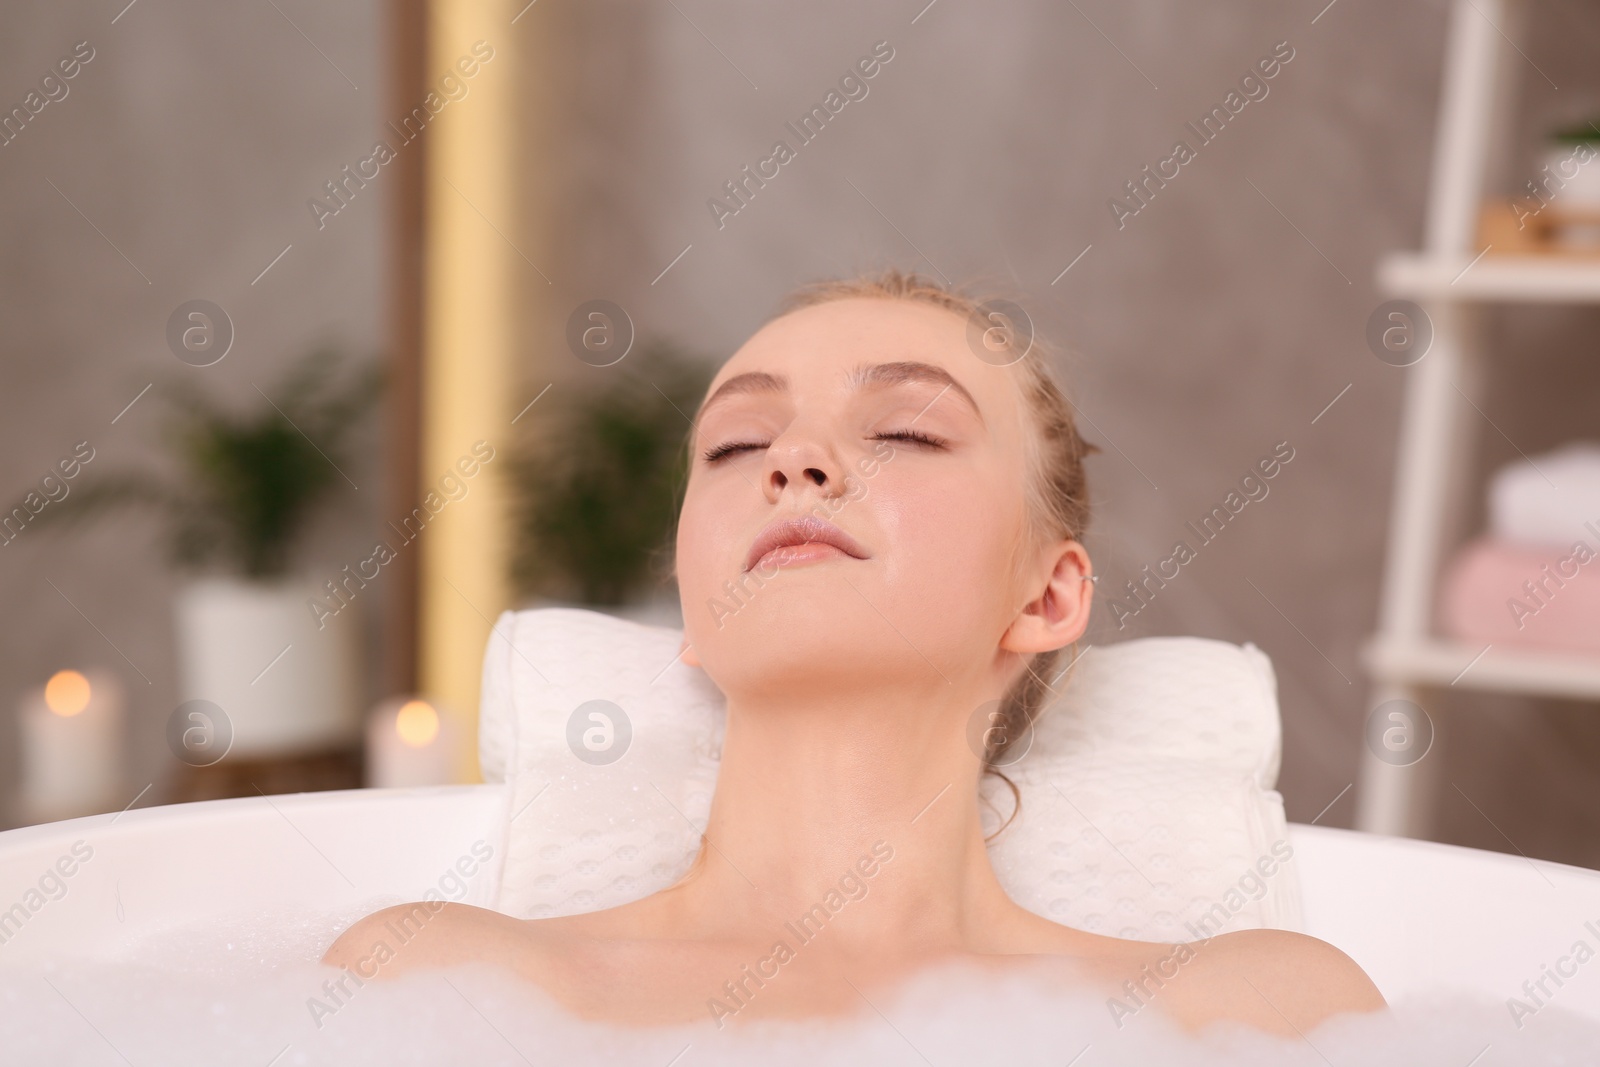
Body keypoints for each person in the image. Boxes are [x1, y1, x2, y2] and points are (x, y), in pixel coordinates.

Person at [324, 269, 1387, 1037]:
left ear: (1049, 592)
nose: (793, 459)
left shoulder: (1257, 1010)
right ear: (693, 602)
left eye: (908, 431)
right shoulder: (433, 982)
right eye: (737, 445)